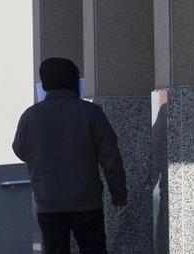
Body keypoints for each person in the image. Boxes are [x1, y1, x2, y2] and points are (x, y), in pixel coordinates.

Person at [13, 58, 127, 254]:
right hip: (86, 200)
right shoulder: (91, 112)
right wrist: (119, 196)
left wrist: (43, 156)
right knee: (93, 249)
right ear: (73, 80)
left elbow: (20, 150)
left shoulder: (30, 116)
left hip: (47, 201)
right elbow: (111, 159)